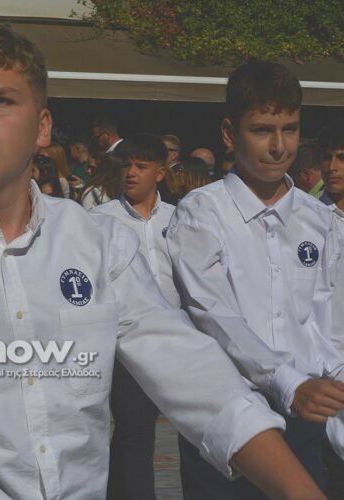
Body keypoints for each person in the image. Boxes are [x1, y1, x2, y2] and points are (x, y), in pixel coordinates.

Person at [0, 23, 325, 500]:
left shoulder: (98, 244)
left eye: (0, 99)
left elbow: (192, 373)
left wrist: (299, 490)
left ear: (43, 127)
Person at [167, 60, 344, 499]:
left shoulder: (320, 219)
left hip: (306, 420)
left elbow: (330, 321)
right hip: (229, 415)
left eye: (290, 129)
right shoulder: (201, 212)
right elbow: (214, 315)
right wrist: (287, 381)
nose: (279, 146)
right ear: (230, 133)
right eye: (262, 130)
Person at [92, 135, 178, 500]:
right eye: (127, 165)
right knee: (136, 427)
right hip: (126, 341)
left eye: (141, 166)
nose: (131, 173)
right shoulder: (99, 219)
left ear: (160, 172)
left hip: (176, 337)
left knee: (187, 431)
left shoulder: (178, 218)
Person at [318, 121, 344, 498]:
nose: (333, 167)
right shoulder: (306, 218)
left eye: (341, 158)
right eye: (328, 158)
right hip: (320, 365)